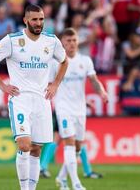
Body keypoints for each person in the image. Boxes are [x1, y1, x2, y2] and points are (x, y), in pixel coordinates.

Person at [0, 4, 68, 190]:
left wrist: (55, 84)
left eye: (41, 19)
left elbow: (64, 61)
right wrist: (2, 85)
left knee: (36, 149)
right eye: (34, 19)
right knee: (25, 144)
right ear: (25, 20)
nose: (38, 23)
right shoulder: (12, 40)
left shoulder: (51, 41)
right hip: (20, 99)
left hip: (42, 100)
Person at [49, 28, 108, 190]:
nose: (72, 44)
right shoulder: (56, 62)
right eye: (68, 41)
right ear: (62, 43)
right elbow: (49, 84)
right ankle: (76, 183)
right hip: (63, 108)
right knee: (69, 142)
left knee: (77, 146)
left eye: (74, 40)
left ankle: (61, 178)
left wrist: (102, 92)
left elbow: (94, 80)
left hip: (80, 109)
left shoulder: (85, 61)